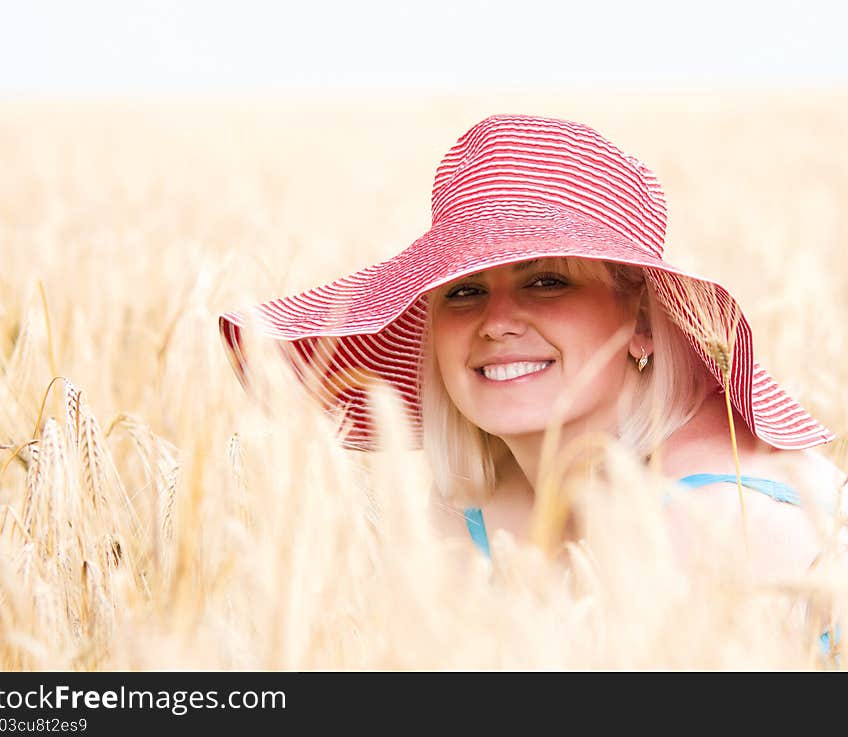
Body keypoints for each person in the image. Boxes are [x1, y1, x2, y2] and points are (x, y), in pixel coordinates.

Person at [219, 114, 845, 584]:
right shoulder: (474, 508)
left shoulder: (708, 522)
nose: (496, 323)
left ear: (644, 321)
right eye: (462, 291)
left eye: (548, 281)